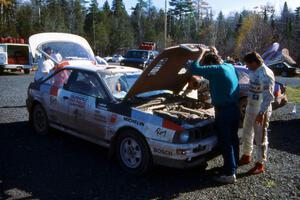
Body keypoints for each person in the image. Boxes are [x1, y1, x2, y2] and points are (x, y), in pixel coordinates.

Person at [188, 47, 240, 184]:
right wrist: (214, 52)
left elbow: (194, 68)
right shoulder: (228, 66)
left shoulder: (216, 70)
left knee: (225, 141)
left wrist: (200, 53)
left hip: (224, 111)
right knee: (234, 139)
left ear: (210, 64)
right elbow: (217, 61)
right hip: (234, 109)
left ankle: (229, 174)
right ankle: (233, 167)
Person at [239, 52, 275, 174]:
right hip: (251, 106)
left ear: (254, 62)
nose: (247, 66)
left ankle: (260, 163)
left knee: (260, 136)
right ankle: (246, 154)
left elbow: (269, 97)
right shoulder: (253, 71)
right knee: (247, 131)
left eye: (248, 64)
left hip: (261, 109)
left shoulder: (265, 74)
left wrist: (261, 113)